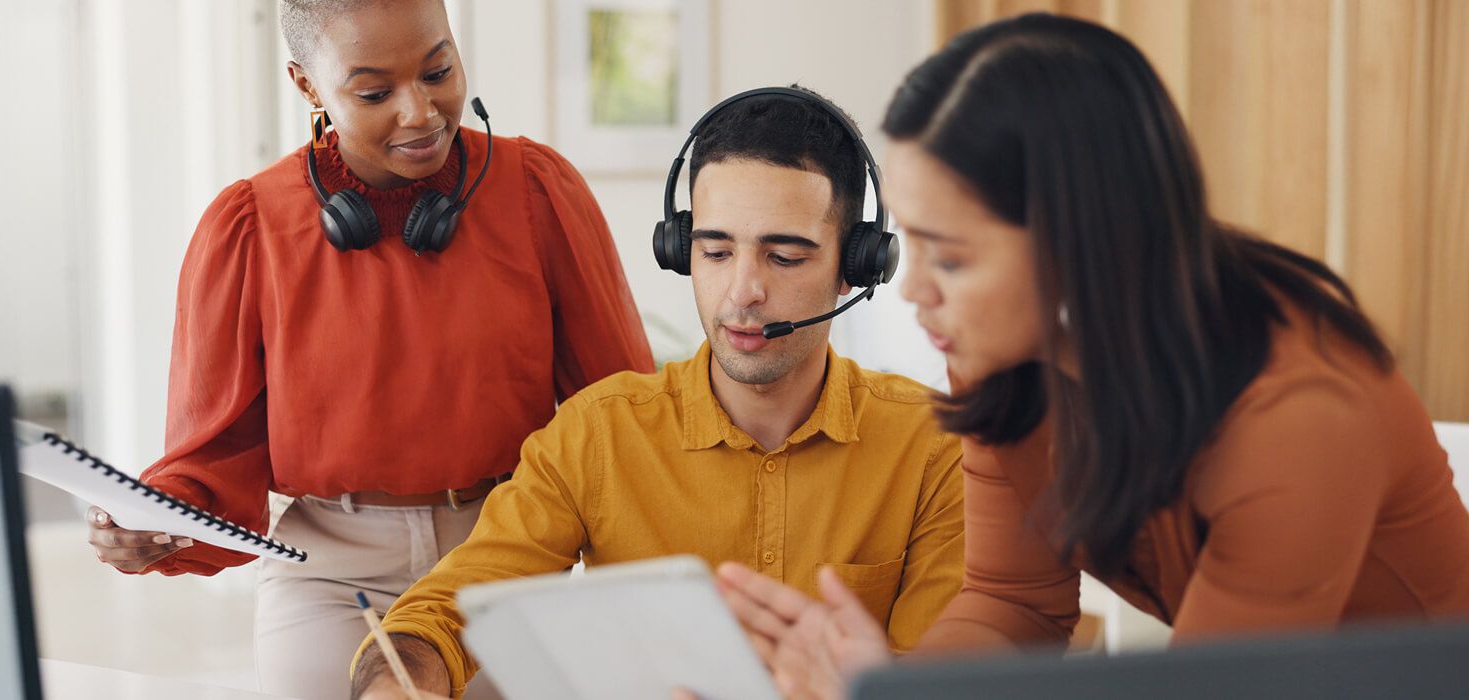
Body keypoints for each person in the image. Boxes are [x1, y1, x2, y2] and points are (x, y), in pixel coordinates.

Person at [717, 13, 1469, 700]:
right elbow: (1012, 603)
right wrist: (892, 688)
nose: (913, 290)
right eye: (914, 245)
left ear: (1085, 244)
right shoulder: (1001, 352)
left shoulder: (1300, 417)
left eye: (951, 259)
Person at [82, 1, 653, 698]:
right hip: (332, 569)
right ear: (307, 86)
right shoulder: (249, 227)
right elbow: (213, 456)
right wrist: (152, 524)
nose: (420, 112)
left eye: (438, 70)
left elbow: (618, 412)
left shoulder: (537, 191)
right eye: (375, 92)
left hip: (506, 548)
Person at [350, 87, 967, 700]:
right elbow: (442, 614)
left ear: (854, 268)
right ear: (680, 250)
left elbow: (940, 681)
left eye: (783, 257)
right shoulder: (599, 434)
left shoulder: (932, 449)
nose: (742, 291)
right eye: (716, 250)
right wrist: (397, 683)